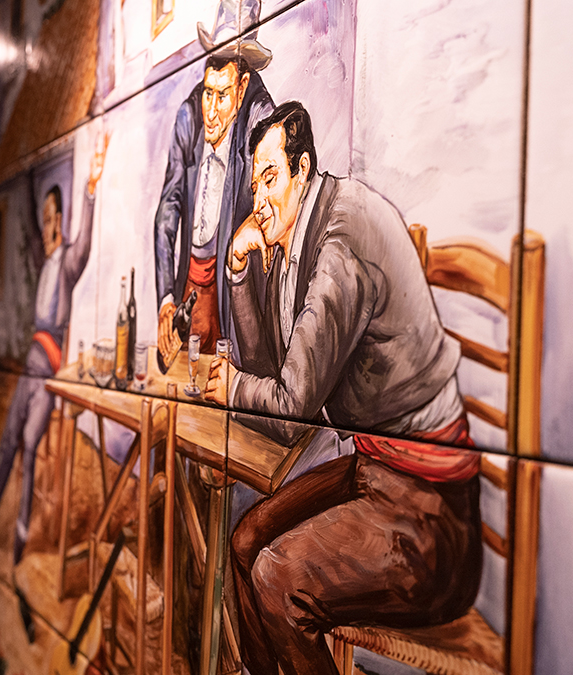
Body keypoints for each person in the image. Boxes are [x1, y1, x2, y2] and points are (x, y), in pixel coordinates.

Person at [203, 101, 482, 675]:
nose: (259, 199)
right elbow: (269, 370)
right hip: (374, 473)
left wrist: (231, 390)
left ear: (302, 169)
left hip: (430, 517)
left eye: (271, 177)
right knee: (245, 541)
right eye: (254, 184)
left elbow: (289, 409)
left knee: (276, 576)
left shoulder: (340, 242)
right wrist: (238, 271)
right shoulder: (296, 240)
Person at [0, 135, 109, 564]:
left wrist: (90, 190)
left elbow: (85, 243)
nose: (48, 226)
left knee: (30, 441)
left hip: (47, 366)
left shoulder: (67, 260)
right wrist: (30, 176)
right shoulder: (42, 257)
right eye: (46, 219)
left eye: (53, 218)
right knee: (12, 437)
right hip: (33, 363)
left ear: (62, 220)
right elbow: (31, 230)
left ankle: (19, 530)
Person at [153, 0, 273, 362]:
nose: (212, 111)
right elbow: (168, 209)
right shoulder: (189, 117)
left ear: (242, 88)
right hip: (190, 279)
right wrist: (166, 299)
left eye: (222, 96)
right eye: (208, 92)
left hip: (232, 285)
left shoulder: (261, 116)